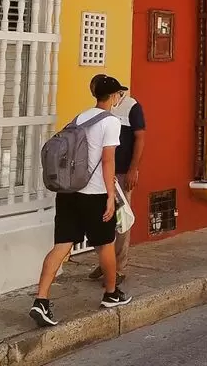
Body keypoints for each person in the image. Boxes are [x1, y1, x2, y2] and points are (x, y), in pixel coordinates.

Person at [29, 75, 132, 328]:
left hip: (68, 192)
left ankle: (41, 299)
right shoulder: (111, 122)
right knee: (105, 244)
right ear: (115, 96)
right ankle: (111, 293)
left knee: (62, 245)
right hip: (94, 193)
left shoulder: (80, 117)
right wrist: (111, 197)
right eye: (119, 94)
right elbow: (108, 161)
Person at [89, 84, 146, 285]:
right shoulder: (100, 110)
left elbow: (140, 138)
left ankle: (119, 267)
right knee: (103, 218)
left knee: (121, 220)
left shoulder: (132, 107)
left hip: (122, 172)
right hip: (103, 175)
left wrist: (133, 169)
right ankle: (106, 263)